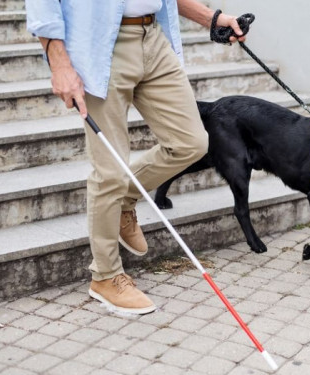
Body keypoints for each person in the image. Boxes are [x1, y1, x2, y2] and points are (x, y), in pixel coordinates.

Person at [26, 0, 247, 314]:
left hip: (153, 37)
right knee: (110, 171)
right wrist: (58, 62)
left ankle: (124, 201)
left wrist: (212, 18)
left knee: (191, 143)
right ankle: (105, 276)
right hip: (100, 44)